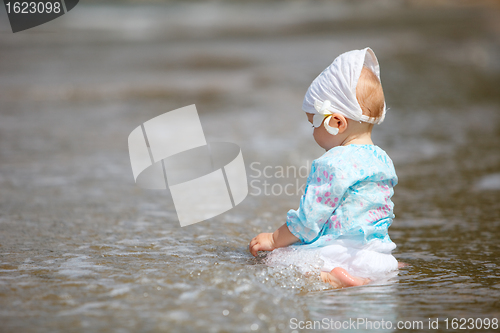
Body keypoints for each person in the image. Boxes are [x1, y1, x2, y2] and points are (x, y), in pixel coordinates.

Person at [249, 47, 399, 288]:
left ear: (336, 122)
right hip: (381, 256)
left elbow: (308, 222)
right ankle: (378, 273)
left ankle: (334, 278)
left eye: (313, 123)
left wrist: (274, 238)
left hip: (340, 257)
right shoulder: (382, 160)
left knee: (275, 260)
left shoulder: (333, 162)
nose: (312, 132)